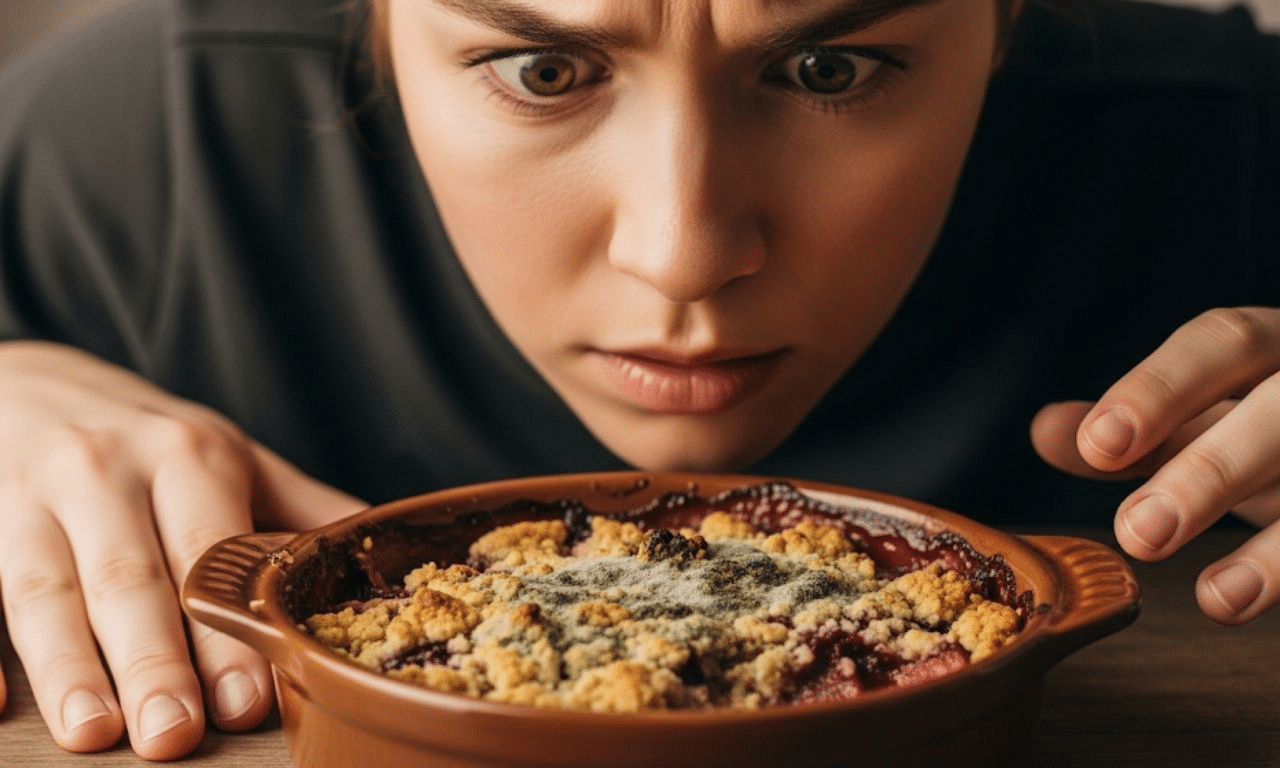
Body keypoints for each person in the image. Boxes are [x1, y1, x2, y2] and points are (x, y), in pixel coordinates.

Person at [0, 0, 1275, 760]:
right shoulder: (130, 138)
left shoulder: (1232, 144)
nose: (683, 252)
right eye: (544, 69)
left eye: (830, 68)